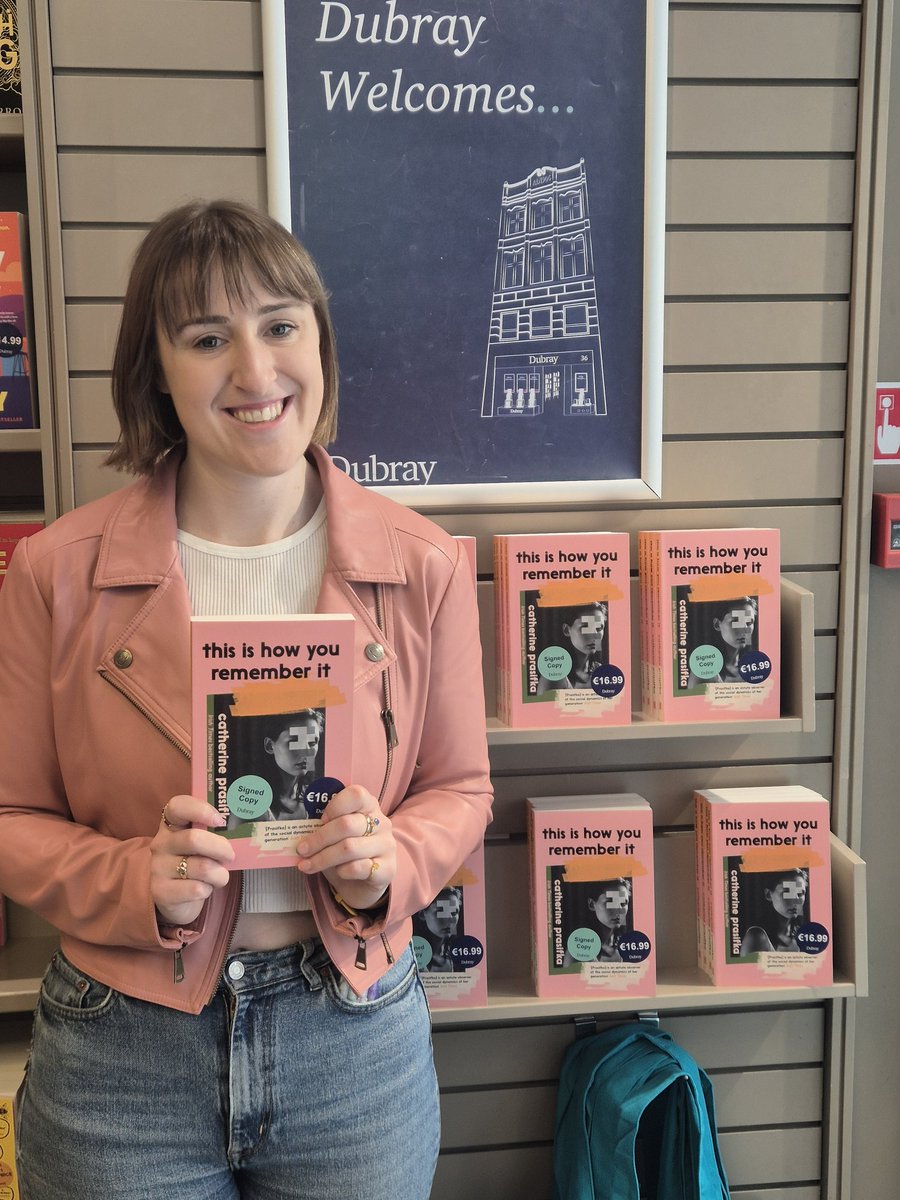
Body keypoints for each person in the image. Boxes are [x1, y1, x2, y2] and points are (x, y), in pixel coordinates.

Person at [0, 200, 493, 1200]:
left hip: (350, 1042)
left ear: (320, 341)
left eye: (280, 325)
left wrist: (386, 861)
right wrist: (135, 880)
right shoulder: (53, 574)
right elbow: (11, 817)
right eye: (206, 338)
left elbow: (460, 788)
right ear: (157, 371)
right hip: (120, 1051)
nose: (256, 372)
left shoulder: (424, 564)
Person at [686, 595, 758, 687]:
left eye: (749, 623)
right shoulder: (704, 669)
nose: (744, 630)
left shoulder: (754, 667)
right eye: (735, 621)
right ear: (717, 624)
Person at [536, 600, 608, 692]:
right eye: (585, 627)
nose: (594, 635)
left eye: (599, 628)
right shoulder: (554, 675)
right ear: (566, 630)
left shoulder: (602, 672)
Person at [562, 877, 633, 964]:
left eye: (623, 903)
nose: (618, 910)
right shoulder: (580, 946)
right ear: (592, 904)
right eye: (610, 901)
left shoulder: (626, 947)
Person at [740, 867, 809, 955]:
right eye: (787, 891)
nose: (795, 900)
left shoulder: (803, 936)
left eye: (800, 893)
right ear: (768, 894)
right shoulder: (757, 937)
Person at [412, 885, 463, 973]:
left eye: (454, 912)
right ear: (422, 914)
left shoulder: (457, 957)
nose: (449, 918)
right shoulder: (411, 956)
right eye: (440, 911)